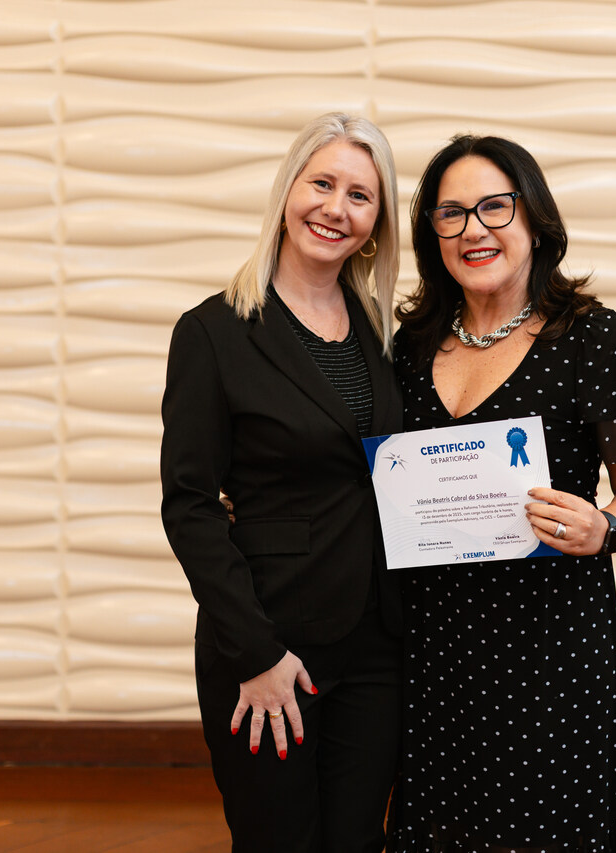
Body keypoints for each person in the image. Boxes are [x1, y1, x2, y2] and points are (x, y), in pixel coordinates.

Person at [386, 134, 616, 852]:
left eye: (495, 207)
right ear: (432, 234)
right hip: (435, 646)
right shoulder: (409, 345)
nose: (473, 229)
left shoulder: (592, 337)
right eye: (451, 213)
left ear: (534, 220)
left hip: (550, 648)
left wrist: (605, 526)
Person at [160, 113, 404, 853]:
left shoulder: (385, 332)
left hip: (379, 645)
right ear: (288, 191)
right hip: (270, 642)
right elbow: (191, 506)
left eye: (360, 196)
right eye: (322, 183)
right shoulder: (213, 332)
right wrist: (256, 654)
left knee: (357, 840)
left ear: (376, 222)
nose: (336, 208)